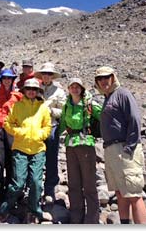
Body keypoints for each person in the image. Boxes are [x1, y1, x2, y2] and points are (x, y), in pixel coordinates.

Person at [94, 66, 146, 224]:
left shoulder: (123, 94)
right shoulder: (108, 98)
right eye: (100, 79)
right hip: (111, 149)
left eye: (107, 77)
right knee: (120, 192)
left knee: (133, 194)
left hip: (124, 148)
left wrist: (129, 147)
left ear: (113, 78)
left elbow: (135, 119)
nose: (104, 81)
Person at [0, 78, 52, 224]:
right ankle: (5, 210)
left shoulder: (43, 108)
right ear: (24, 91)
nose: (31, 91)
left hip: (38, 149)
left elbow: (47, 126)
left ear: (38, 91)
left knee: (36, 182)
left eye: (34, 89)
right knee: (18, 182)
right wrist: (18, 132)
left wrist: (41, 135)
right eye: (29, 89)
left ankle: (34, 211)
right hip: (20, 148)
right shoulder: (17, 106)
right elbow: (7, 123)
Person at [58, 78, 101, 224]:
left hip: (86, 144)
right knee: (74, 182)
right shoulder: (66, 106)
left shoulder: (89, 104)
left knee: (89, 184)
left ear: (82, 88)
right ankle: (76, 216)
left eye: (77, 87)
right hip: (70, 145)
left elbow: (104, 116)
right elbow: (62, 124)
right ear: (69, 89)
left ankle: (92, 219)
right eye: (72, 86)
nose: (75, 89)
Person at [0, 68, 23, 207]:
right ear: (1, 80)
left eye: (9, 78)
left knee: (12, 163)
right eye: (5, 78)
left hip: (12, 132)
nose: (7, 81)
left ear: (13, 80)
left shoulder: (18, 97)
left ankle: (12, 194)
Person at [34, 62, 67, 203]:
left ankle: (49, 189)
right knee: (34, 158)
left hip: (51, 126)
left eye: (49, 74)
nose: (46, 76)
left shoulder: (59, 92)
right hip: (34, 127)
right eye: (44, 74)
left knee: (51, 159)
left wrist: (51, 111)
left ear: (52, 76)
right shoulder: (34, 88)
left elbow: (64, 111)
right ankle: (34, 189)